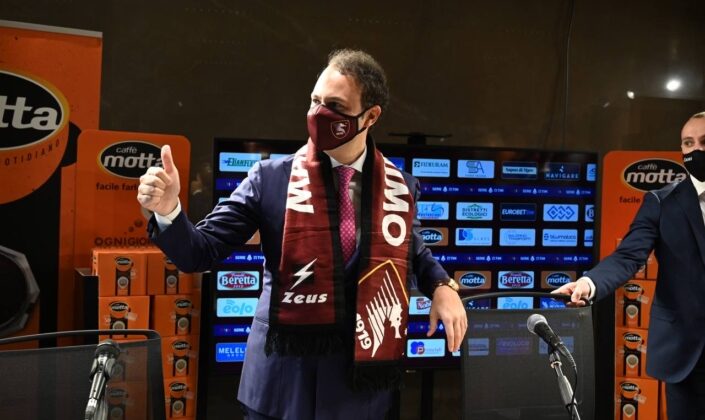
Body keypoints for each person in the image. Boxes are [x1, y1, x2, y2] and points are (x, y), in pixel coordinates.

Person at [137, 49, 467, 420]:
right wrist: (168, 210)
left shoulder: (398, 187)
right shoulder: (269, 179)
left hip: (360, 393)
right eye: (315, 101)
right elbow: (199, 252)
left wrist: (442, 286)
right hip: (280, 387)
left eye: (335, 106)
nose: (319, 113)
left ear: (370, 116)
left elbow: (413, 251)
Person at [554, 111, 705, 419]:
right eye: (688, 143)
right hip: (685, 355)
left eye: (704, 142)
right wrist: (589, 283)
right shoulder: (661, 202)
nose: (695, 150)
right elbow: (628, 256)